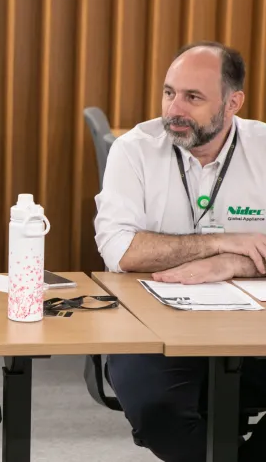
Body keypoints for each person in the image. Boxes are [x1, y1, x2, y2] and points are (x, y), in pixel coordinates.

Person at [94, 41, 266, 461]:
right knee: (157, 410)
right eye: (170, 92)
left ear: (233, 103)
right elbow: (121, 250)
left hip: (253, 330)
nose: (175, 109)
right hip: (153, 329)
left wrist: (230, 264)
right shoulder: (134, 150)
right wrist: (222, 241)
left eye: (193, 97)